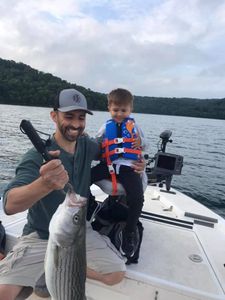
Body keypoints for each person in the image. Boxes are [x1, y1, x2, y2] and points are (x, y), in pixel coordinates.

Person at [0, 88, 144, 300]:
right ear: (53, 115)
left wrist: (137, 161)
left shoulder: (87, 145)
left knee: (116, 273)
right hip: (41, 235)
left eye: (81, 117)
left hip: (80, 231)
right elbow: (9, 205)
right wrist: (44, 184)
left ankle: (57, 273)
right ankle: (47, 274)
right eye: (68, 116)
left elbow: (111, 151)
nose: (76, 124)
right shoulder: (35, 157)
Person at [90, 88, 147, 258]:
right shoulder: (105, 127)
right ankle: (91, 206)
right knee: (82, 179)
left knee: (137, 198)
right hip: (108, 164)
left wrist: (141, 142)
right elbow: (96, 144)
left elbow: (146, 145)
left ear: (130, 110)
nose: (120, 114)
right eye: (116, 110)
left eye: (124, 110)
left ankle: (129, 231)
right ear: (109, 108)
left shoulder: (135, 127)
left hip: (128, 168)